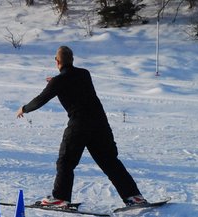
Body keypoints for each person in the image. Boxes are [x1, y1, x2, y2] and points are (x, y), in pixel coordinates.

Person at [16, 46, 147, 207]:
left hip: (79, 125)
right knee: (110, 161)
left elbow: (40, 100)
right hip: (100, 124)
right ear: (72, 60)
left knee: (65, 161)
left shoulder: (59, 81)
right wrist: (56, 82)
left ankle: (60, 197)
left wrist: (24, 108)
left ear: (57, 61)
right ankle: (134, 197)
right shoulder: (84, 74)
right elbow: (72, 80)